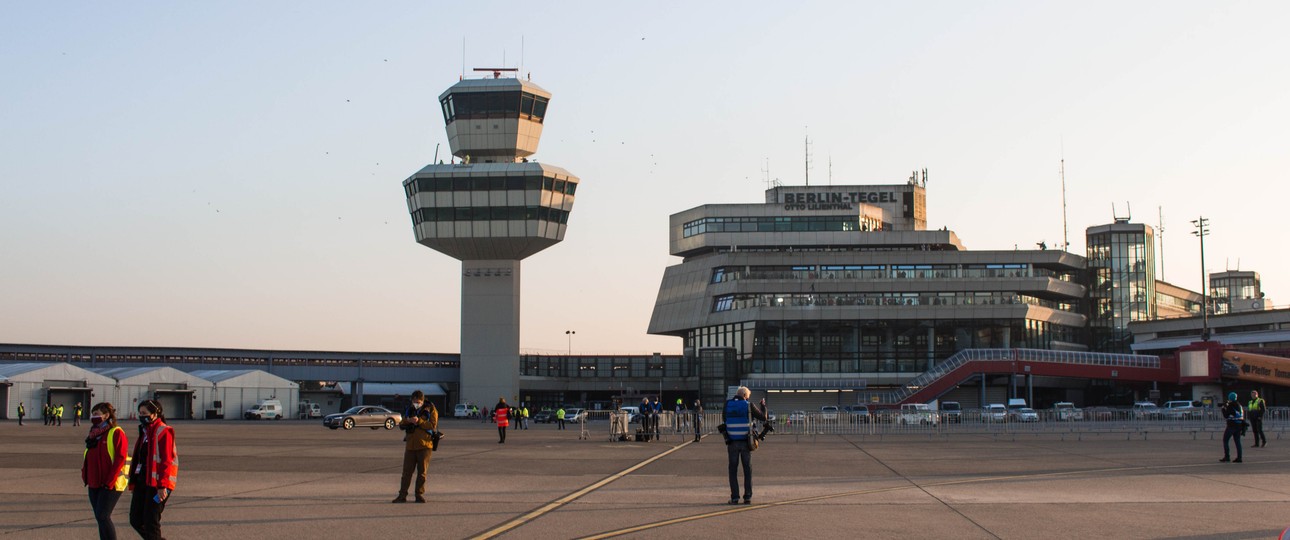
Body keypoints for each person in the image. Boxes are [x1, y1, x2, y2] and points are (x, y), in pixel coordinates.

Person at [129, 399, 177, 540]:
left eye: (145, 413)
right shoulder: (145, 432)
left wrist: (163, 486)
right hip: (142, 480)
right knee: (135, 520)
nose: (141, 416)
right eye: (140, 413)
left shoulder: (164, 431)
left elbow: (166, 461)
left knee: (151, 522)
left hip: (157, 484)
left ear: (156, 414)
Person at [83, 402, 129, 540]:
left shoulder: (116, 432)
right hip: (94, 481)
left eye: (96, 414)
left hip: (110, 483)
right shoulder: (94, 434)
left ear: (106, 415)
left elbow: (120, 459)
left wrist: (109, 482)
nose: (93, 417)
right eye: (93, 414)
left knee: (103, 515)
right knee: (99, 517)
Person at [723, 386, 768, 505]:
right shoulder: (749, 405)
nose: (748, 399)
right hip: (745, 441)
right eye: (747, 397)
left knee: (733, 470)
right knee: (747, 469)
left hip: (731, 442)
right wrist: (763, 405)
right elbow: (763, 417)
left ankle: (734, 497)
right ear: (744, 396)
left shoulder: (727, 404)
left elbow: (724, 419)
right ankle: (747, 496)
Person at [393, 390, 437, 503]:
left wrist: (419, 421)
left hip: (424, 445)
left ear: (423, 401)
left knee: (422, 473)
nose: (416, 403)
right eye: (414, 401)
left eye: (418, 402)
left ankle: (419, 494)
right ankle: (402, 495)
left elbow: (432, 425)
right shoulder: (410, 409)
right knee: (406, 473)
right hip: (410, 446)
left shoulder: (430, 409)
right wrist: (408, 420)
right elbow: (401, 424)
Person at [1220, 392, 1245, 463]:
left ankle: (1227, 456)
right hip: (1239, 425)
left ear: (1230, 398)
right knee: (1237, 442)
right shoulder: (1239, 405)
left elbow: (1226, 415)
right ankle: (1239, 457)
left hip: (1232, 425)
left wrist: (1223, 409)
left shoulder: (1231, 405)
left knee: (1225, 440)